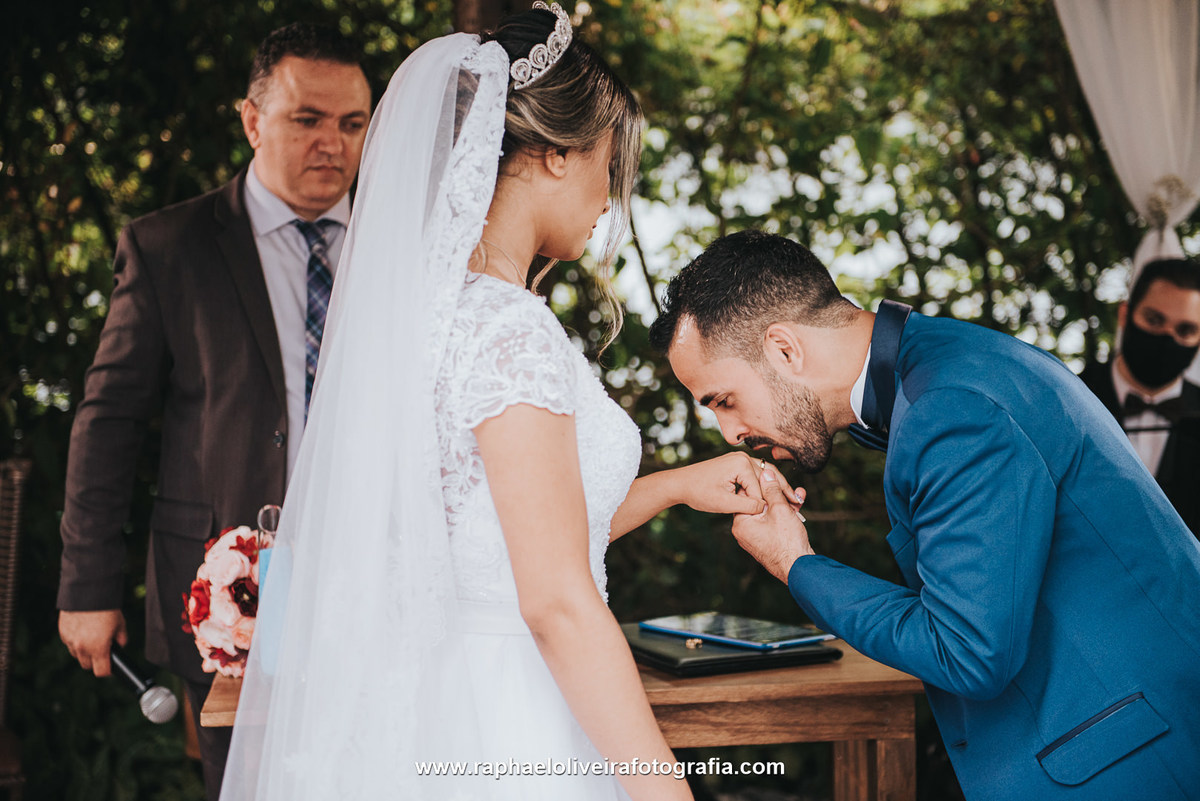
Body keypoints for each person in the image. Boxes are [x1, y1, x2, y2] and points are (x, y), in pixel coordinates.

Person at [220, 7, 778, 800]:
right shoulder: (509, 330)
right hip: (513, 711)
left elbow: (488, 532)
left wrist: (676, 486)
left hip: (434, 707)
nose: (608, 202)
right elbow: (554, 599)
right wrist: (664, 788)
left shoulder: (421, 315)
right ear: (556, 155)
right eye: (607, 167)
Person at [647, 230, 1200, 801]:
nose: (731, 432)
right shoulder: (941, 367)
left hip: (1130, 762)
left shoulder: (951, 406)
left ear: (785, 349)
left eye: (723, 400)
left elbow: (966, 655)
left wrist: (794, 562)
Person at [56, 23, 371, 800]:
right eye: (308, 118)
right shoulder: (171, 245)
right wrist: (87, 583)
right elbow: (110, 419)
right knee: (249, 784)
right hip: (228, 587)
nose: (332, 143)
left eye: (353, 123)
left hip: (371, 570)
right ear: (252, 119)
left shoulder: (400, 247)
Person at [1080, 257, 1200, 538]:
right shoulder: (1072, 397)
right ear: (1125, 314)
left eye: (1185, 330)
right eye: (1154, 320)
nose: (1167, 338)